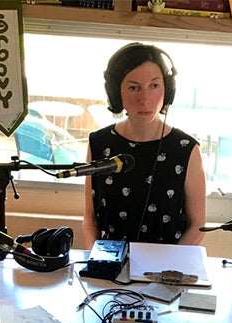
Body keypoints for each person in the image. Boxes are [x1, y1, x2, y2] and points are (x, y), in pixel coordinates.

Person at [82, 42, 206, 248]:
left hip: (167, 270)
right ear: (116, 92)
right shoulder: (99, 143)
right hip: (110, 268)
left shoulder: (186, 149)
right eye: (133, 87)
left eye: (154, 86)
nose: (145, 99)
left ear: (167, 90)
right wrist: (95, 264)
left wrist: (165, 273)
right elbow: (90, 220)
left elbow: (197, 226)